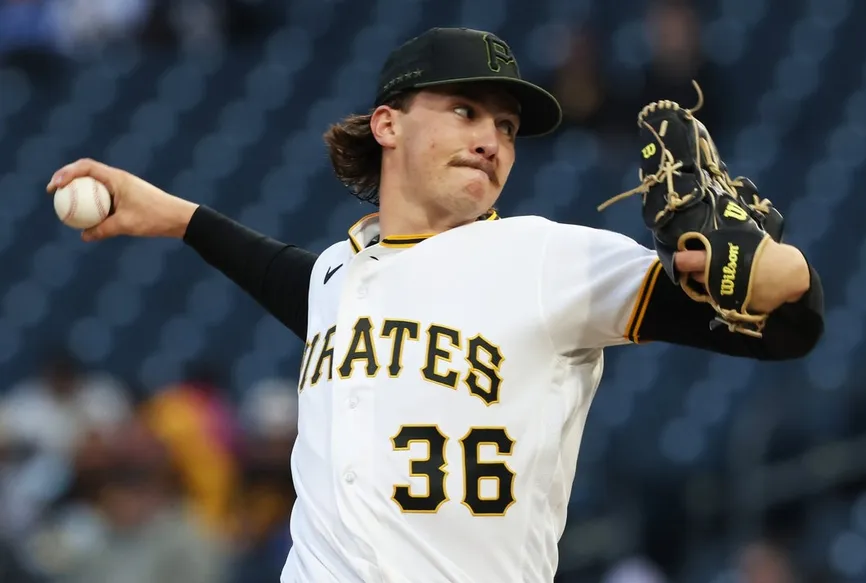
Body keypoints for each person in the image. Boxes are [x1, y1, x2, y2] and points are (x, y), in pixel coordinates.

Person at [45, 27, 824, 583]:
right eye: (465, 111)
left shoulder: (543, 258)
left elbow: (783, 329)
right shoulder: (337, 277)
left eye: (506, 127)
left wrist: (776, 271)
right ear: (387, 122)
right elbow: (288, 277)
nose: (492, 139)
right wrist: (176, 217)